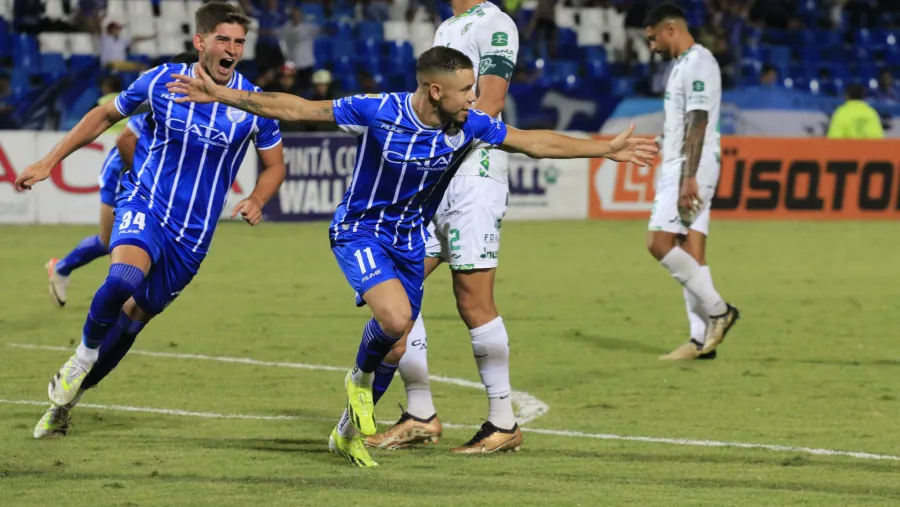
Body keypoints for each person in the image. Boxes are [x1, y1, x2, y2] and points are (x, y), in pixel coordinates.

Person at [166, 46, 657, 467]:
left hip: (408, 240)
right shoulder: (380, 109)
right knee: (397, 318)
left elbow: (532, 142)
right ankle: (358, 382)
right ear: (435, 91)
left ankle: (346, 433)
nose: (474, 97)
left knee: (397, 345)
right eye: (466, 89)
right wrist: (222, 94)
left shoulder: (468, 124)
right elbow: (298, 109)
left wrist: (602, 150)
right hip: (360, 232)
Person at [18, 3, 286, 437]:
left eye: (239, 41)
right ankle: (81, 357)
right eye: (224, 39)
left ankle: (69, 400)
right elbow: (108, 115)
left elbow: (275, 165)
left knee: (131, 321)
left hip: (194, 236)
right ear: (201, 42)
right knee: (123, 276)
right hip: (147, 204)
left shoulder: (249, 102)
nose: (232, 49)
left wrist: (258, 197)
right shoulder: (162, 81)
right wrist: (50, 160)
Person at [366, 0, 522, 454]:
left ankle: (503, 421)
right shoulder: (448, 27)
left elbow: (489, 104)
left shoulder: (495, 24)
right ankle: (420, 414)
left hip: (473, 178)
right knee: (397, 286)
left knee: (473, 299)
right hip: (440, 178)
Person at [44, 53, 199, 310]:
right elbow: (124, 141)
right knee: (112, 241)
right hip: (122, 174)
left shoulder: (195, 103)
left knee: (131, 240)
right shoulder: (162, 97)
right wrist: (143, 180)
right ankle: (65, 270)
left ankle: (110, 294)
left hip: (145, 178)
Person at [643, 3, 739, 361]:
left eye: (653, 38)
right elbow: (687, 122)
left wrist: (687, 178)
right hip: (687, 163)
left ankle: (719, 312)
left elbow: (699, 121)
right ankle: (702, 341)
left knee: (659, 242)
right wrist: (662, 142)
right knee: (691, 251)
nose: (651, 46)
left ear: (670, 29)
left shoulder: (698, 62)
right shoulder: (684, 65)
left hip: (691, 168)